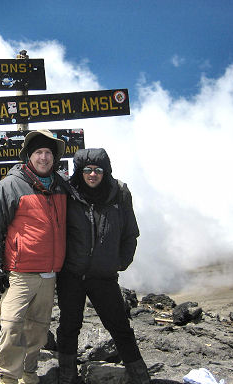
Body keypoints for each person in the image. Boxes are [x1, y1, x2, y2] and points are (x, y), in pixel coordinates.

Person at [56, 148, 151, 384]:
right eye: (87, 170)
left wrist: (120, 262)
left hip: (104, 275)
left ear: (105, 171)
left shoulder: (118, 193)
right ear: (79, 171)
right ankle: (67, 375)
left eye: (98, 170)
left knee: (119, 326)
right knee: (69, 326)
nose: (92, 175)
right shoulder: (67, 193)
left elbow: (131, 233)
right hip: (72, 274)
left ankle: (139, 375)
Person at [0, 129, 69, 384]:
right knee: (11, 327)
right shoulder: (10, 185)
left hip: (50, 274)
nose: (44, 158)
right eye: (39, 153)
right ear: (29, 157)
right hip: (19, 273)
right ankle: (8, 378)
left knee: (38, 331)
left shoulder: (61, 186)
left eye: (48, 153)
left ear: (54, 158)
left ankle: (29, 376)